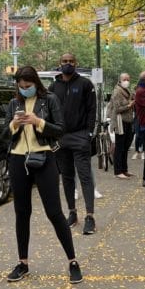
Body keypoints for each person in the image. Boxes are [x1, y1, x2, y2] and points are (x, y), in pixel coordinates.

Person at [4, 66, 82, 284]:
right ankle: (23, 262)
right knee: (22, 212)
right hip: (18, 159)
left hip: (43, 158)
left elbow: (60, 129)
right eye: (21, 86)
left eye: (27, 86)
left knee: (54, 212)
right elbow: (4, 133)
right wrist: (14, 124)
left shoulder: (50, 100)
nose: (24, 89)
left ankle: (73, 261)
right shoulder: (14, 103)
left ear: (35, 83)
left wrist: (38, 122)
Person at [50, 53, 99, 235]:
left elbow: (92, 110)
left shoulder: (85, 84)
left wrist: (88, 133)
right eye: (65, 62)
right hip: (61, 138)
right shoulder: (54, 86)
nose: (68, 64)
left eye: (71, 61)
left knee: (85, 176)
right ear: (60, 64)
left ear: (76, 63)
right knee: (67, 178)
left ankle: (90, 216)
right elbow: (47, 110)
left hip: (80, 137)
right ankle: (72, 212)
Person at [109, 73, 135, 179]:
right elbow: (117, 108)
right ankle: (118, 171)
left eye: (128, 79)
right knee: (119, 147)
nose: (126, 81)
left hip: (128, 121)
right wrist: (129, 105)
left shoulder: (128, 91)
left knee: (125, 146)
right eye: (124, 79)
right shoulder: (117, 91)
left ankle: (124, 170)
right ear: (120, 80)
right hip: (120, 121)